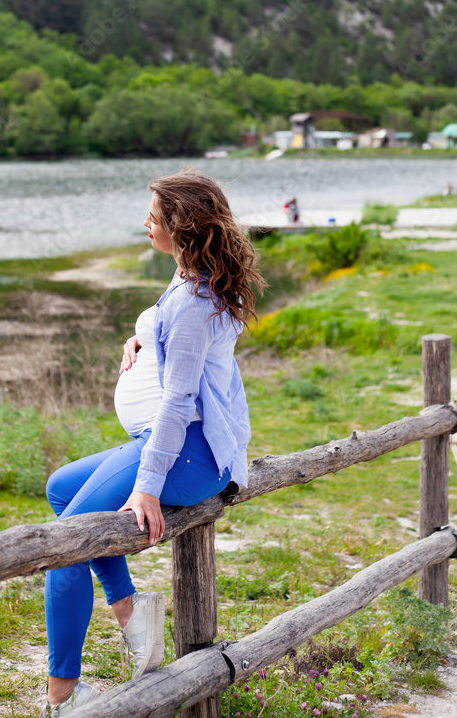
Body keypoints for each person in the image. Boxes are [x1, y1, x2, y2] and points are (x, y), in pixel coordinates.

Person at [40, 170, 265, 715]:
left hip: (188, 452)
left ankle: (62, 698)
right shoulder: (191, 280)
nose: (146, 223)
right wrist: (141, 335)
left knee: (66, 544)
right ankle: (132, 614)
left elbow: (178, 401)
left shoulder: (192, 302)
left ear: (181, 226)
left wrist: (147, 485)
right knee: (60, 488)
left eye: (155, 216)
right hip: (179, 444)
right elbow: (175, 338)